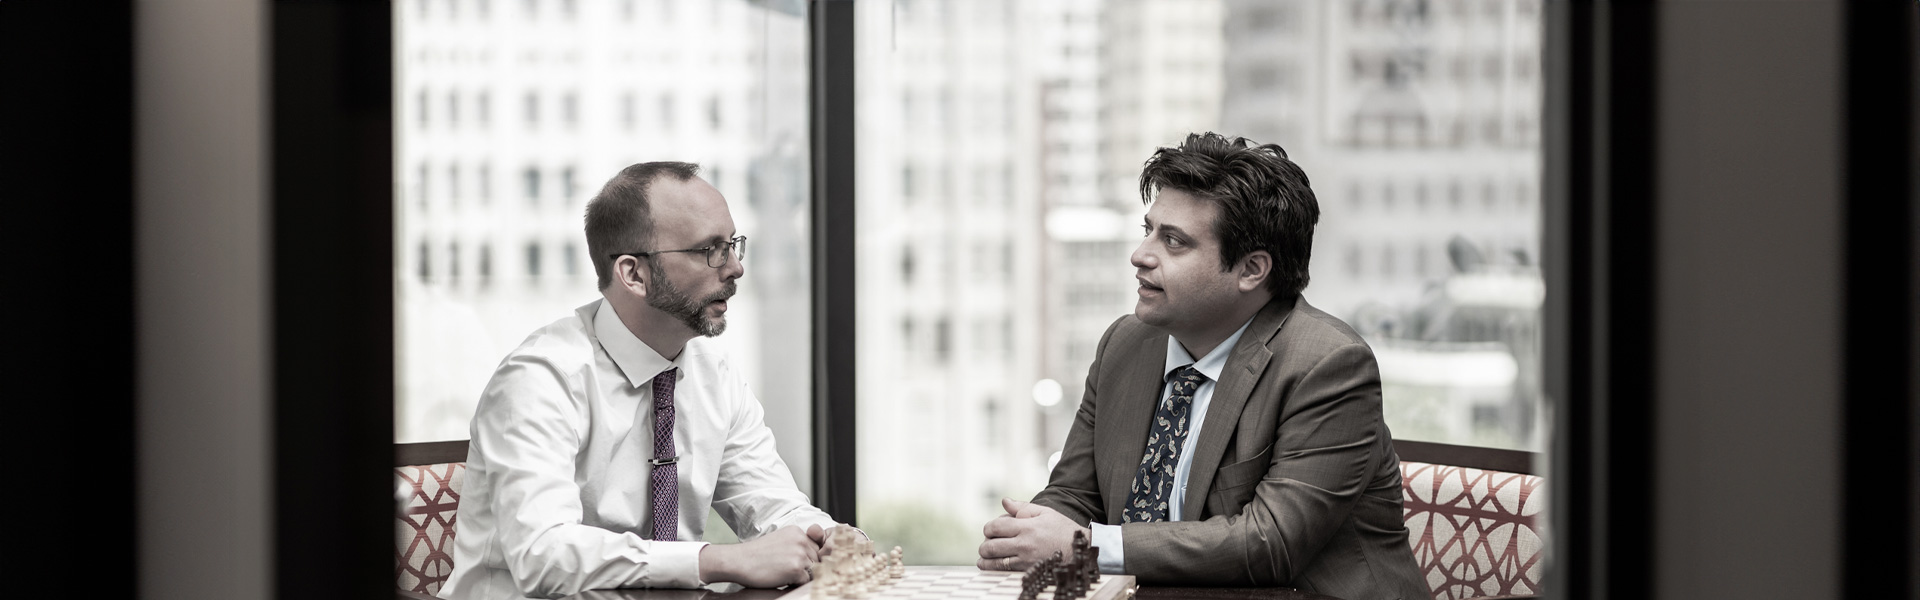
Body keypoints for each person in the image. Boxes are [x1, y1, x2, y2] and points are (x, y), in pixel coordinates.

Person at [976, 133, 1428, 599]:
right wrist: (1029, 535)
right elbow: (1075, 494)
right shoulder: (1126, 344)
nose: (1141, 255)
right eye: (1148, 230)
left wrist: (1087, 545)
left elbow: (1268, 542)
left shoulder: (1328, 366)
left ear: (1251, 270)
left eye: (1173, 241)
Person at [444, 162, 850, 599]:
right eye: (709, 249)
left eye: (732, 245)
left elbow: (771, 502)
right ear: (633, 274)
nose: (734, 268)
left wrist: (831, 538)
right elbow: (542, 555)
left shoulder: (714, 374)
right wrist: (719, 561)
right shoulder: (539, 380)